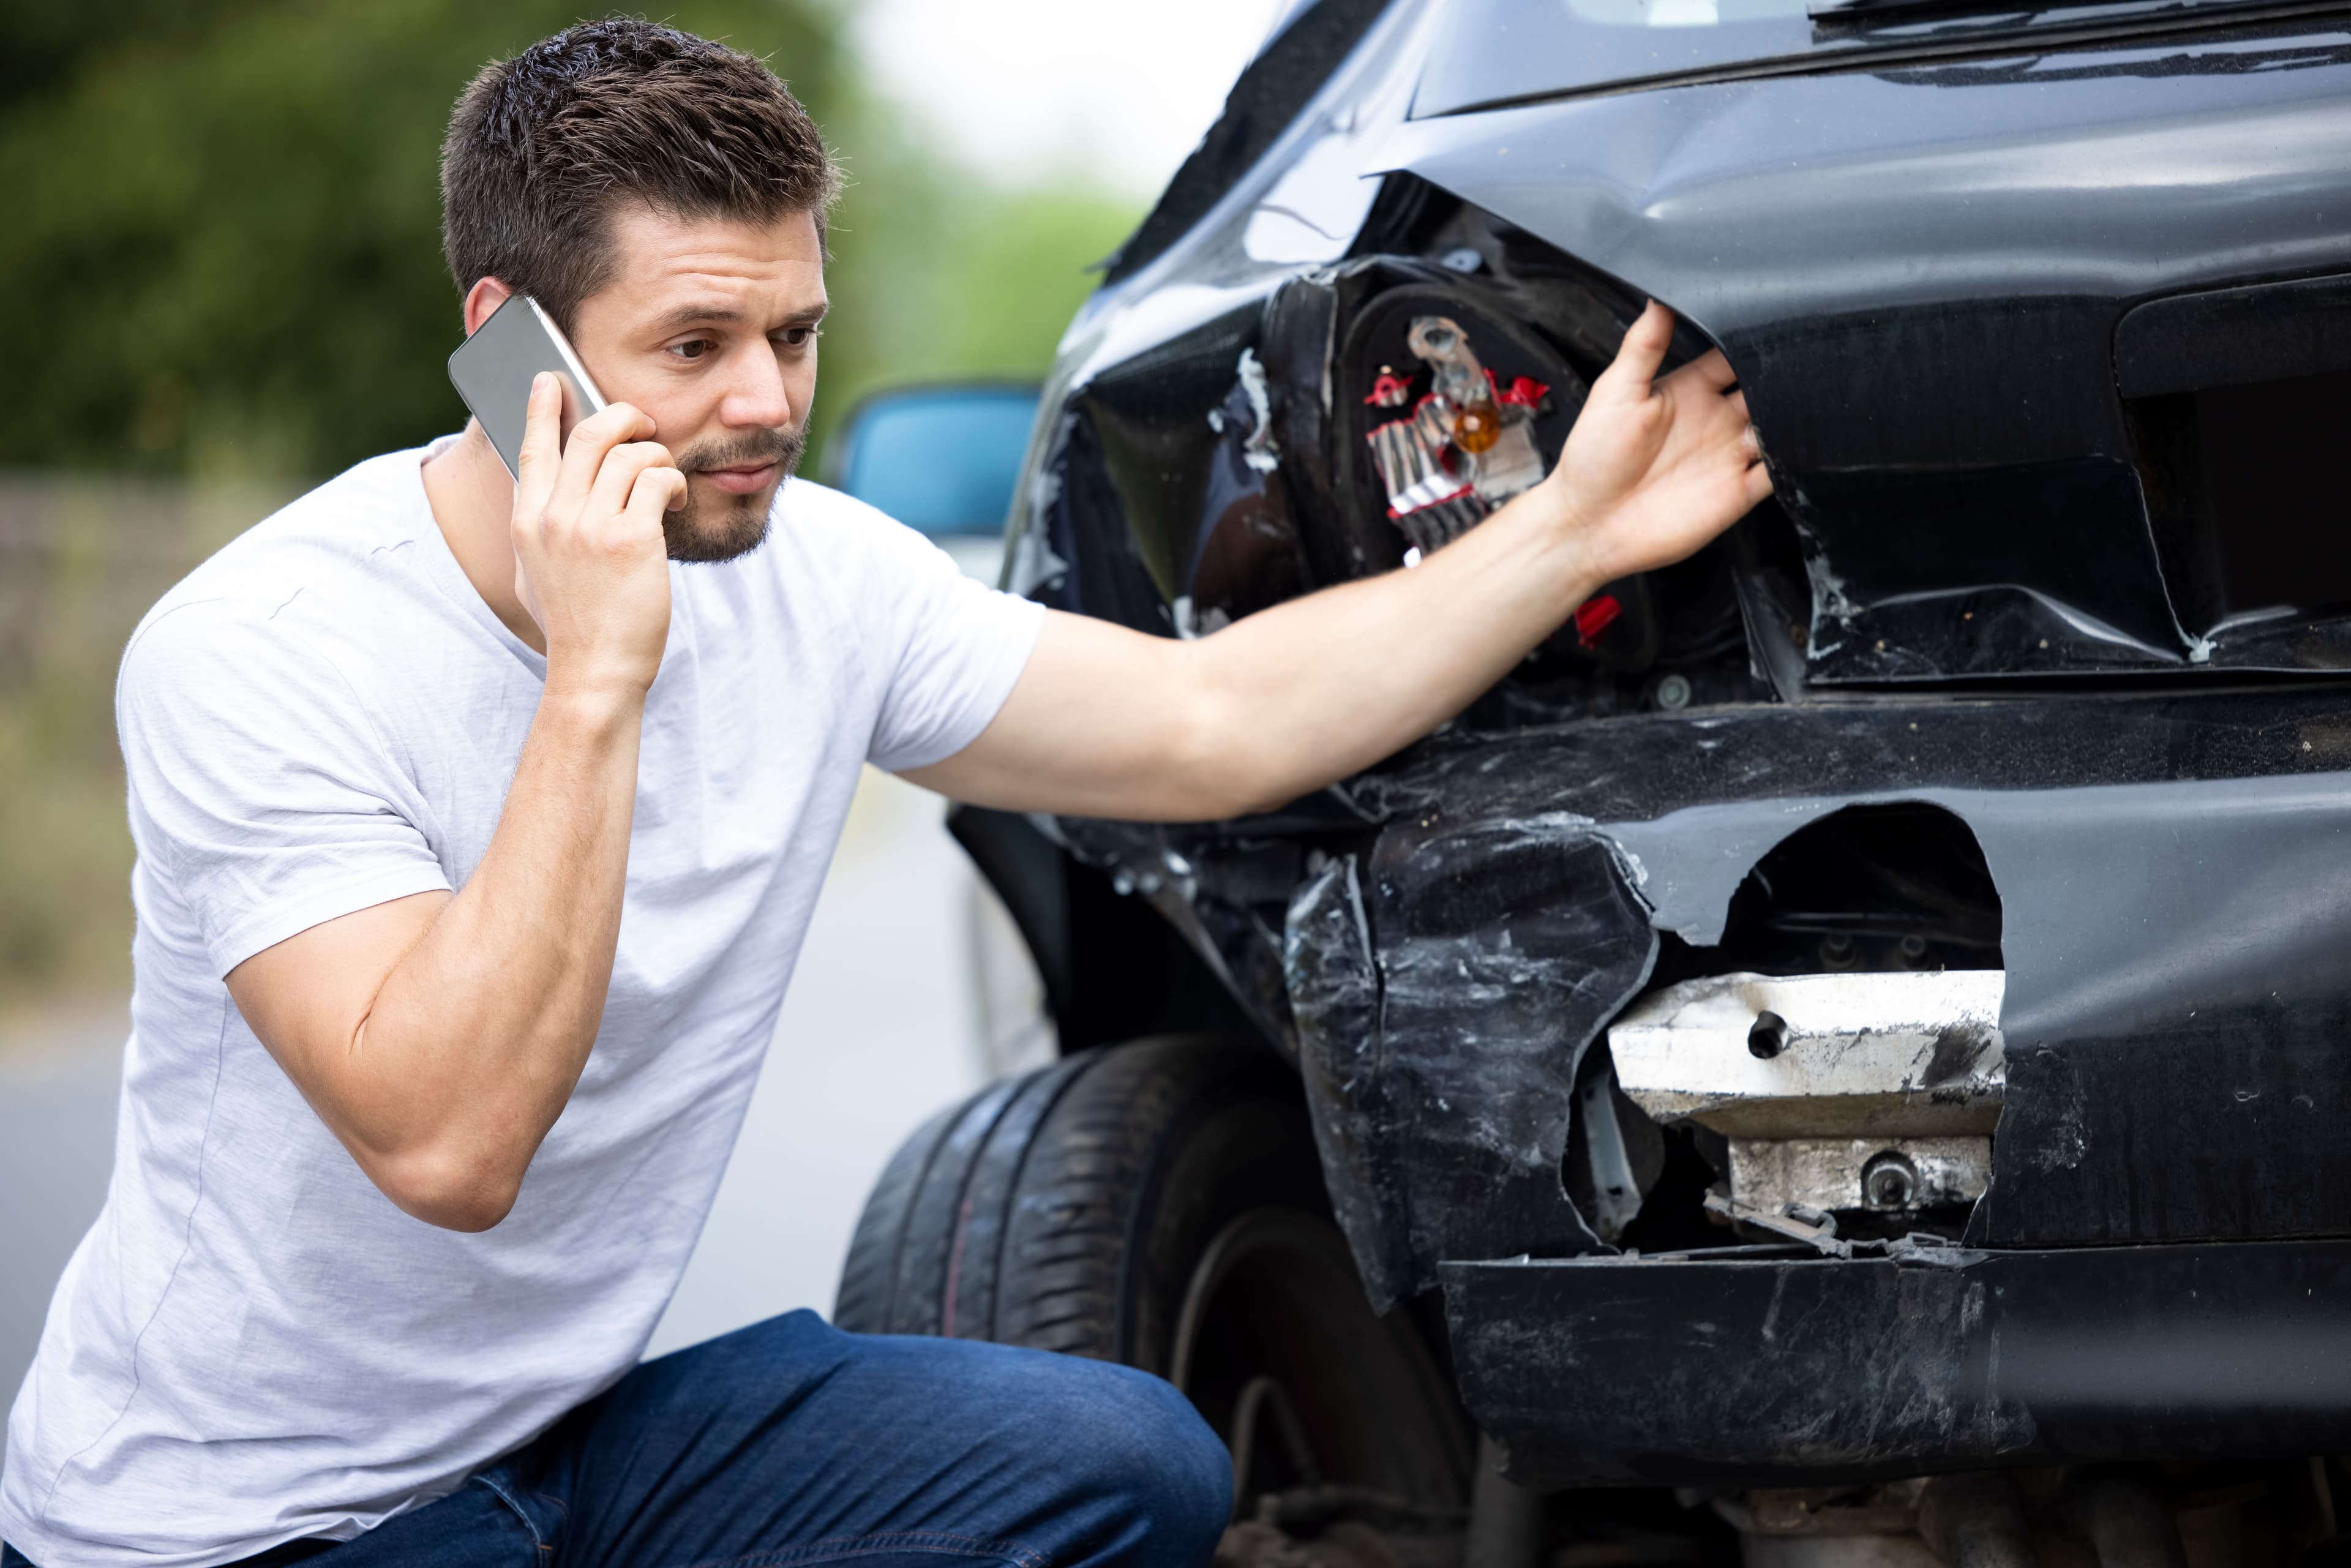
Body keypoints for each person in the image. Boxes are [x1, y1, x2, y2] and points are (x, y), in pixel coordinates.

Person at [0, 20, 1771, 1568]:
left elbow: (1213, 717)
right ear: (511, 346)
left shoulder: (819, 581)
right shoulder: (260, 648)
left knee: (1127, 1464)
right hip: (252, 1527)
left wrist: (1577, 526)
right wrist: (598, 674)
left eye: (794, 334)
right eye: (694, 345)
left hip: (571, 1451)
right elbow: (449, 1147)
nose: (766, 403)